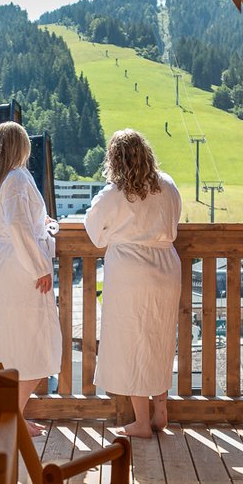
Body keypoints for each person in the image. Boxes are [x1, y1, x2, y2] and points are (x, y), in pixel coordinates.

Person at [84, 129, 182, 438]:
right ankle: (161, 410)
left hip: (130, 273)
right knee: (160, 337)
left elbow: (94, 232)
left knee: (134, 342)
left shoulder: (114, 193)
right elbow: (175, 222)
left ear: (115, 159)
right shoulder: (167, 185)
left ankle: (141, 422)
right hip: (166, 268)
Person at [0, 121, 62, 436]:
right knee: (31, 342)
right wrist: (40, 266)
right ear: (20, 146)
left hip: (0, 262)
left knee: (9, 341)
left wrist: (43, 222)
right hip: (19, 265)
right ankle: (12, 418)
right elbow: (17, 225)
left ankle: (11, 416)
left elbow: (16, 220)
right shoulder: (14, 178)